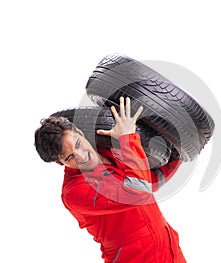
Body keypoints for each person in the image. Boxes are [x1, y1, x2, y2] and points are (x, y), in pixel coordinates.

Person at [34, 97, 186, 263]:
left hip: (168, 249)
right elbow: (139, 192)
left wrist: (179, 154)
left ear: (81, 132)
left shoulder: (109, 149)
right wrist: (127, 139)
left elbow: (149, 181)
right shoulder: (75, 192)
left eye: (78, 143)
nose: (82, 156)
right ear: (60, 162)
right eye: (70, 157)